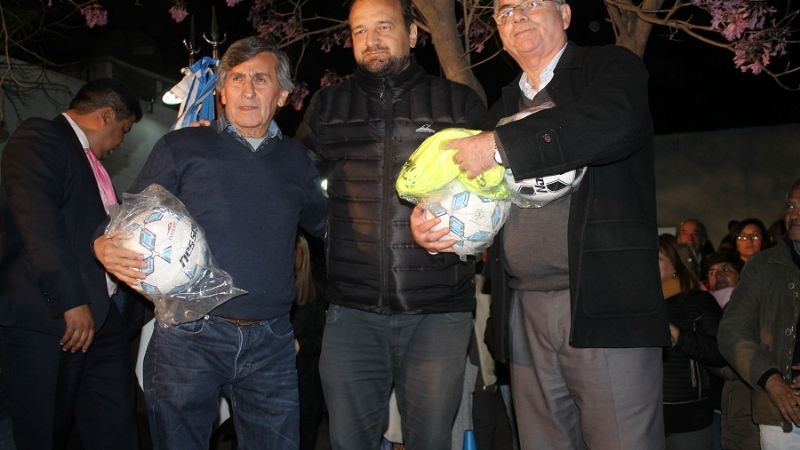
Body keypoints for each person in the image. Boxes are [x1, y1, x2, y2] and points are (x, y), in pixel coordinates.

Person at [410, 0, 670, 448]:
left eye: (531, 3)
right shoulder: (501, 106)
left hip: (604, 302)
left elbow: (615, 123)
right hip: (522, 309)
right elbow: (476, 200)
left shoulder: (608, 69)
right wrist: (435, 229)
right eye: (505, 11)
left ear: (565, 14)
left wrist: (500, 145)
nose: (518, 17)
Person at [94, 37, 326, 449]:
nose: (247, 91)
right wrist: (101, 243)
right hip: (188, 337)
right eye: (236, 79)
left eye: (260, 79)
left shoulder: (298, 162)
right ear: (221, 91)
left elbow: (333, 230)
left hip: (271, 341)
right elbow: (126, 218)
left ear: (284, 95)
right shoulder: (183, 146)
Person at [294, 0, 486, 448]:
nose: (371, 40)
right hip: (351, 314)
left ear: (414, 33)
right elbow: (291, 181)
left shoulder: (458, 103)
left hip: (438, 315)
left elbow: (492, 194)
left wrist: (462, 238)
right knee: (348, 441)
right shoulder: (328, 105)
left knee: (431, 442)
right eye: (359, 31)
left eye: (383, 27)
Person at [0, 79, 141, 450]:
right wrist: (68, 300)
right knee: (45, 429)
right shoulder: (41, 137)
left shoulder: (94, 165)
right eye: (123, 132)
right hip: (53, 317)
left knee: (114, 425)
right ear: (105, 116)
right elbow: (38, 221)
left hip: (102, 318)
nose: (121, 144)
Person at [718, 178, 800, 449]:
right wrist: (772, 380)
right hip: (782, 413)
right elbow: (733, 330)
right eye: (790, 205)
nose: (794, 214)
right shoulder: (764, 266)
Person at [658, 235, 726, 449]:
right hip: (644, 414)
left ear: (675, 264)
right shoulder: (638, 305)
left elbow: (719, 352)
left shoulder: (698, 300)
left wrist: (679, 336)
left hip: (687, 417)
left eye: (656, 258)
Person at [702, 252, 761, 450]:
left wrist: (712, 359)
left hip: (746, 406)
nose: (718, 275)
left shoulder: (752, 307)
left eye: (726, 269)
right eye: (712, 272)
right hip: (713, 407)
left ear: (740, 275)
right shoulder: (703, 310)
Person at [291, 232, 327, 450]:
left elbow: (325, 339)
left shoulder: (316, 292)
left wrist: (301, 345)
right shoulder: (275, 291)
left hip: (306, 384)